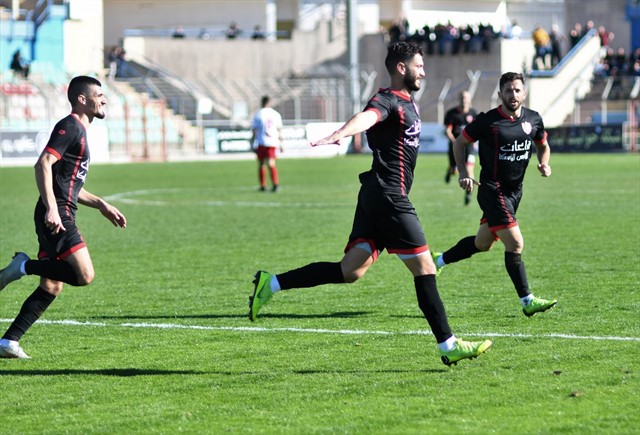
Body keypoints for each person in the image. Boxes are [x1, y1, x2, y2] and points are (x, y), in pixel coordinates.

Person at [248, 42, 492, 367]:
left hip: (377, 194)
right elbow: (367, 117)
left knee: (350, 271)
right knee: (425, 267)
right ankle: (448, 344)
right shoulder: (388, 99)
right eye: (419, 66)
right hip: (389, 196)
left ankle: (272, 283)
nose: (424, 71)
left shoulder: (408, 101)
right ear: (401, 68)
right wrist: (341, 132)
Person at [0, 76, 127, 359]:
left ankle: (8, 342)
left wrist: (101, 204)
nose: (104, 100)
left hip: (59, 209)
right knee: (84, 275)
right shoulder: (70, 126)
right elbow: (43, 164)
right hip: (57, 213)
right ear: (82, 99)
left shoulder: (80, 130)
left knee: (52, 284)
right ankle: (23, 266)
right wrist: (52, 208)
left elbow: (69, 185)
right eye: (99, 95)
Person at [432, 72, 557, 318]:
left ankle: (439, 260)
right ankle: (527, 300)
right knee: (516, 243)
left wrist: (544, 163)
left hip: (515, 193)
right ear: (500, 94)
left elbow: (543, 144)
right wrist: (462, 173)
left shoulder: (533, 119)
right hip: (492, 190)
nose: (513, 94)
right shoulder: (488, 121)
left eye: (517, 90)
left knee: (483, 243)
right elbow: (459, 142)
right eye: (508, 90)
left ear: (524, 93)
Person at [443, 90, 478, 205]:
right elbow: (447, 130)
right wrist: (455, 142)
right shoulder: (451, 114)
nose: (464, 100)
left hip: (469, 146)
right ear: (459, 99)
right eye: (463, 97)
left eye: (466, 97)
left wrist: (475, 140)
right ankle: (450, 171)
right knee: (454, 171)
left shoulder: (474, 113)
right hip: (455, 147)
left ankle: (468, 194)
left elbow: (477, 130)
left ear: (470, 99)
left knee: (469, 169)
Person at [251, 95, 283, 192]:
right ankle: (274, 184)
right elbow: (279, 130)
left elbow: (254, 130)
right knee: (271, 163)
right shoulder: (275, 114)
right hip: (272, 142)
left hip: (261, 142)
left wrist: (252, 143)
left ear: (261, 102)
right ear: (269, 103)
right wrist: (282, 143)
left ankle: (264, 185)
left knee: (262, 164)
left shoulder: (258, 114)